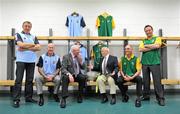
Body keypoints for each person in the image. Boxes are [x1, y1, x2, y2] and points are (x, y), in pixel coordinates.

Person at [13, 21, 41, 108]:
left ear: (31, 27)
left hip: (31, 61)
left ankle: (28, 97)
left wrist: (25, 48)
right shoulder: (18, 35)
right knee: (18, 80)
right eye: (26, 26)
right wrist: (33, 45)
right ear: (23, 26)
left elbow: (39, 47)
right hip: (21, 60)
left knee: (29, 80)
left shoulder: (33, 36)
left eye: (29, 26)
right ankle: (16, 100)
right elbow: (20, 44)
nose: (27, 27)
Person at [139, 25, 165, 106]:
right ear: (145, 32)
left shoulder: (157, 38)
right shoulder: (143, 40)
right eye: (146, 31)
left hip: (155, 62)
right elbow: (140, 49)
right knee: (146, 81)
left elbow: (157, 46)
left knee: (157, 82)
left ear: (152, 30)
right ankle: (146, 96)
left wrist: (146, 46)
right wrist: (152, 46)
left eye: (149, 30)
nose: (148, 32)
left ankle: (160, 98)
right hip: (145, 63)